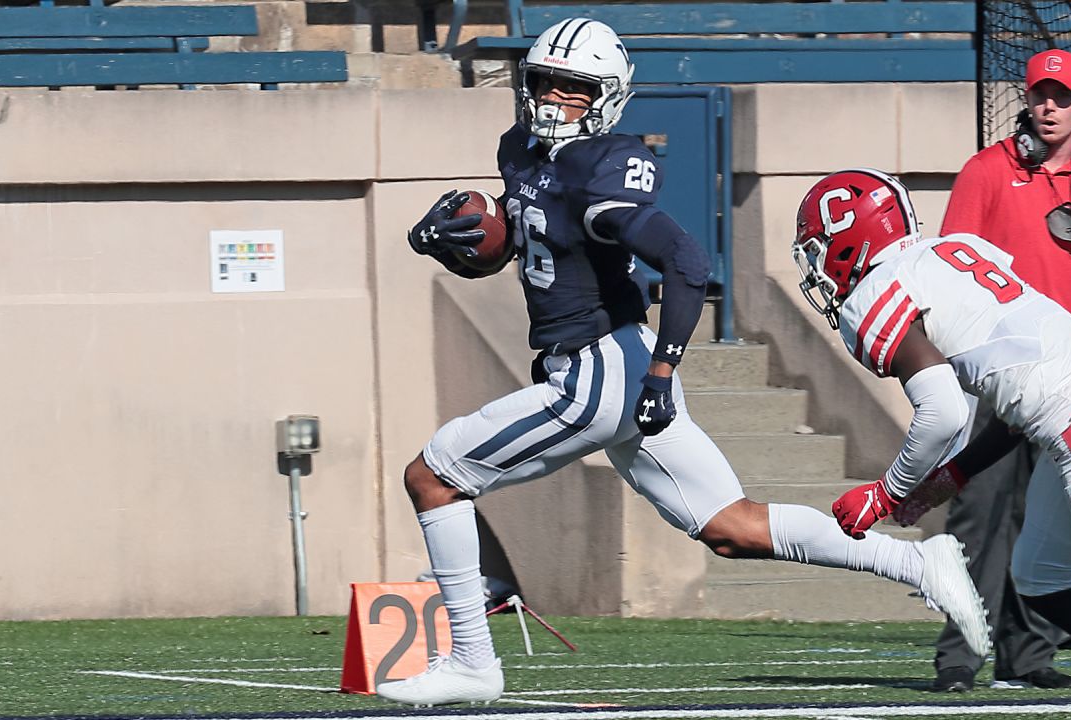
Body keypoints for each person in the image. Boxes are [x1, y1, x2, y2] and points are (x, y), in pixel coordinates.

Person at [376, 18, 991, 708]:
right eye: (544, 82)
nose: (552, 99)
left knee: (433, 478)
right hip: (601, 363)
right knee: (731, 526)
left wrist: (665, 371)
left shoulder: (602, 166)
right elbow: (529, 246)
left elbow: (687, 262)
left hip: (599, 369)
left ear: (605, 96)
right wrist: (459, 240)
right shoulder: (518, 149)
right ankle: (917, 561)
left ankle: (471, 661)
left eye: (572, 90)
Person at [792, 167, 1071, 720]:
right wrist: (947, 479)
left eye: (820, 248)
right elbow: (1015, 397)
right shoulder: (952, 251)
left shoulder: (874, 295)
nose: (818, 267)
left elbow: (943, 410)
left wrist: (888, 493)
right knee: (1042, 580)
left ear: (848, 238)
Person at [927, 48, 1071, 693]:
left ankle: (1030, 653)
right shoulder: (988, 170)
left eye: (1063, 96)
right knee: (980, 514)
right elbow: (950, 267)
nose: (1050, 107)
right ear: (1028, 98)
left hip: (1066, 377)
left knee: (1050, 519)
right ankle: (960, 656)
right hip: (993, 374)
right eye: (1041, 95)